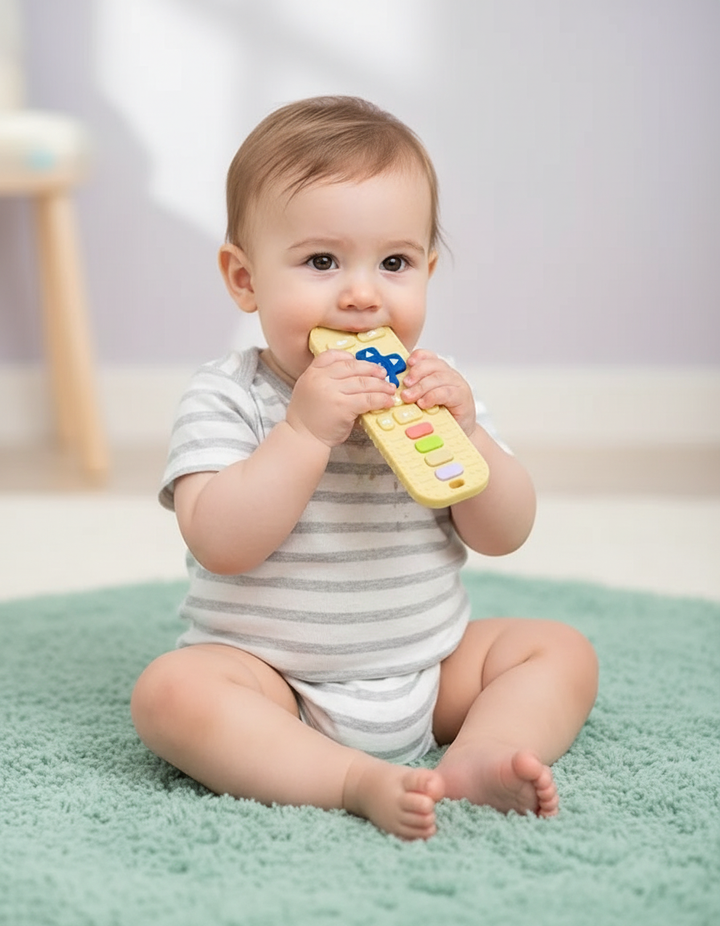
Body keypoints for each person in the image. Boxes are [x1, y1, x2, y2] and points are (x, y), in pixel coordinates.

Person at [131, 96, 598, 840]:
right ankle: (350, 779)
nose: (361, 293)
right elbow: (220, 540)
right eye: (321, 261)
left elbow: (506, 531)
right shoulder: (229, 394)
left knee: (559, 651)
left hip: (432, 666)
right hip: (274, 680)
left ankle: (477, 756)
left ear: (427, 271)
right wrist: (304, 430)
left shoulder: (434, 391)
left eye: (394, 262)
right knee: (172, 694)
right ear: (245, 279)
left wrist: (469, 432)